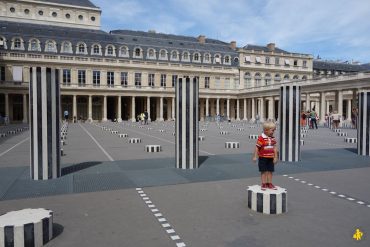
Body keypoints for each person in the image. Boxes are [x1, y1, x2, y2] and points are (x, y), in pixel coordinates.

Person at [252, 121, 279, 190]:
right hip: (262, 158)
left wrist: (276, 157)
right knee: (263, 171)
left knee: (270, 171)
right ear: (266, 130)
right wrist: (255, 156)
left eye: (274, 130)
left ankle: (269, 183)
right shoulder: (261, 138)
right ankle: (264, 183)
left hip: (271, 158)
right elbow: (257, 147)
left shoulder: (273, 138)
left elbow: (275, 148)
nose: (273, 132)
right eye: (272, 130)